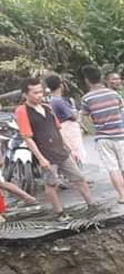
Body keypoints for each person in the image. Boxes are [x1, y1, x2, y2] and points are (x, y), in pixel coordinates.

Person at [17, 78, 94, 219]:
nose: (39, 95)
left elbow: (58, 129)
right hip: (45, 154)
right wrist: (40, 158)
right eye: (35, 93)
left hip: (60, 151)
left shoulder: (47, 107)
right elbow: (27, 137)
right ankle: (60, 213)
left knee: (79, 178)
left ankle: (91, 205)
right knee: (51, 184)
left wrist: (69, 148)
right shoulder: (22, 111)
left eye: (40, 92)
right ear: (25, 94)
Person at [81, 65, 124, 205]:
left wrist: (96, 124)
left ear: (87, 80)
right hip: (119, 134)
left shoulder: (86, 98)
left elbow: (86, 118)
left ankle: (122, 196)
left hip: (102, 137)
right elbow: (120, 112)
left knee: (112, 168)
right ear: (101, 78)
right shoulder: (114, 94)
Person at [44, 75, 86, 167]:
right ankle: (77, 174)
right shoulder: (59, 101)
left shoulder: (50, 100)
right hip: (68, 128)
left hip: (60, 127)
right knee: (74, 151)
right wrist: (79, 112)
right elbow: (73, 116)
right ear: (61, 85)